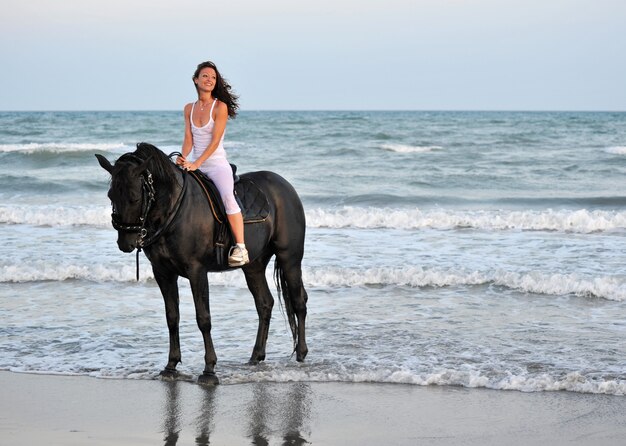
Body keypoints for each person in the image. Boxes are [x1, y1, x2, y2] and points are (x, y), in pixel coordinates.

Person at [176, 61, 249, 267]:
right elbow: (189, 139)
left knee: (227, 198)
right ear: (196, 80)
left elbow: (215, 141)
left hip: (216, 164)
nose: (209, 80)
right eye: (206, 76)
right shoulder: (188, 108)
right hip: (195, 163)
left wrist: (196, 163)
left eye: (213, 78)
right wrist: (182, 158)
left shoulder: (220, 107)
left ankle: (241, 248)